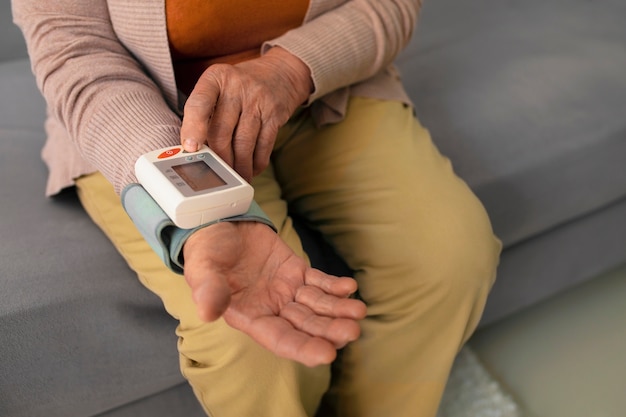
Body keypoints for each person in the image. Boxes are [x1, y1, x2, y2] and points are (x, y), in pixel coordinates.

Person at [13, 0, 502, 416]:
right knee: (247, 341)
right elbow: (73, 50)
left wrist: (290, 71)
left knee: (450, 258)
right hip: (145, 124)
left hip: (325, 88)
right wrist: (198, 207)